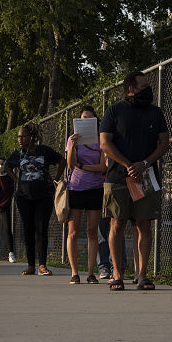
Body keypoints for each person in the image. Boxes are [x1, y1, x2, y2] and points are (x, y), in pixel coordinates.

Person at [99, 71, 169, 291]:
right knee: (116, 224)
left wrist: (144, 164)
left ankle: (142, 275)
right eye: (143, 86)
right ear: (130, 89)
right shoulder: (114, 111)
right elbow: (105, 144)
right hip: (118, 178)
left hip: (145, 178)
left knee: (144, 224)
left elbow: (164, 143)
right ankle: (117, 274)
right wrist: (128, 164)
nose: (147, 90)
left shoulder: (155, 113)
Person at [6, 122, 65, 276]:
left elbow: (62, 161)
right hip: (24, 197)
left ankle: (42, 265)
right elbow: (7, 166)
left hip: (43, 196)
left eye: (23, 136)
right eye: (18, 137)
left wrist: (56, 180)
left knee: (41, 229)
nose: (20, 139)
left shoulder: (44, 151)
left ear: (32, 137)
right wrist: (17, 181)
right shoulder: (18, 153)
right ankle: (31, 265)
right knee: (28, 230)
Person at [65, 106, 105, 284]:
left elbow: (103, 167)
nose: (86, 121)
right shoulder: (72, 140)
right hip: (76, 187)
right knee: (73, 231)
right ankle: (74, 272)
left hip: (96, 188)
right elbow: (70, 165)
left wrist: (83, 166)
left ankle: (90, 272)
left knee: (92, 231)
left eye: (90, 118)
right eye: (83, 118)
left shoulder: (100, 140)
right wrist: (72, 145)